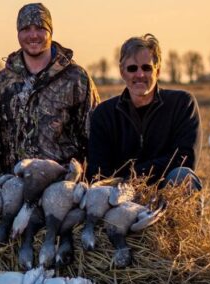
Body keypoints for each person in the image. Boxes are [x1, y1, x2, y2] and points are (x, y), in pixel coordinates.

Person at [0, 3, 99, 177]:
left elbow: (94, 138)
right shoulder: (1, 82)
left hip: (63, 184)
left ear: (50, 32)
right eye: (26, 29)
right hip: (13, 184)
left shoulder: (76, 79)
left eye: (40, 28)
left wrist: (90, 181)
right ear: (18, 33)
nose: (33, 35)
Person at [86, 34, 202, 191]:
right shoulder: (104, 114)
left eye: (146, 68)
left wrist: (134, 177)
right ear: (122, 72)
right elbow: (98, 173)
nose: (140, 74)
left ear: (157, 70)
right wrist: (126, 187)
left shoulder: (182, 104)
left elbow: (184, 159)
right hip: (118, 196)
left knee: (183, 175)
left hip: (165, 193)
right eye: (132, 68)